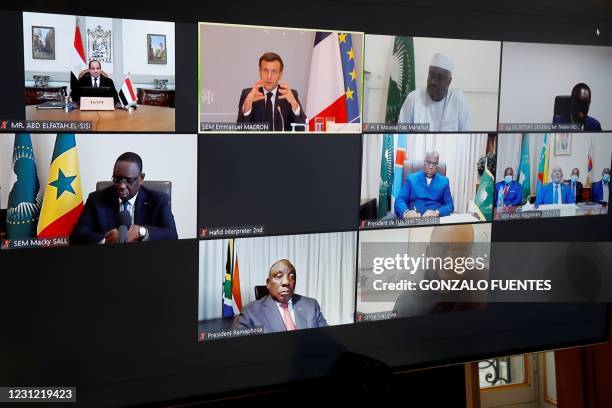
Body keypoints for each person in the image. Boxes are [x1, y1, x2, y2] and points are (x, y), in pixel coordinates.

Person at [69, 152, 178, 244]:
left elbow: (172, 235)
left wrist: (142, 232)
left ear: (141, 178)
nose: (122, 186)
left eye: (128, 180)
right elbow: (77, 236)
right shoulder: (96, 199)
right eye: (117, 179)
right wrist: (108, 239)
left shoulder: (158, 200)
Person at [392, 224, 487, 317]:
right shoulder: (406, 304)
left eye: (460, 252)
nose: (448, 263)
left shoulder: (484, 285)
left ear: (469, 256)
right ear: (428, 253)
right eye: (440, 249)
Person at [232, 259, 327, 333]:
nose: (286, 282)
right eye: (279, 276)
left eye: (291, 276)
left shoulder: (311, 305)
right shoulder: (250, 312)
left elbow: (327, 339)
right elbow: (236, 347)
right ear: (268, 284)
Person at [398, 53, 469, 131]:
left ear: (449, 81)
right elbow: (401, 133)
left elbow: (465, 134)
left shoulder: (458, 100)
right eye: (431, 75)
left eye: (439, 78)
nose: (433, 82)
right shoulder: (413, 98)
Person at [237, 52, 306, 131]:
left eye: (273, 71)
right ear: (260, 72)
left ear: (280, 75)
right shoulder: (248, 94)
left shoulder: (289, 95)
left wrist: (294, 104)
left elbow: (303, 129)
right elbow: (239, 132)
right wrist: (247, 105)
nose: (269, 77)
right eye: (265, 71)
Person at [394, 151, 454, 219]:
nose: (431, 167)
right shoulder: (411, 178)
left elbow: (450, 205)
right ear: (424, 162)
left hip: (434, 222)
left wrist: (437, 212)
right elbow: (400, 200)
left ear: (437, 166)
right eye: (428, 163)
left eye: (434, 164)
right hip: (413, 221)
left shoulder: (444, 181)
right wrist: (406, 213)